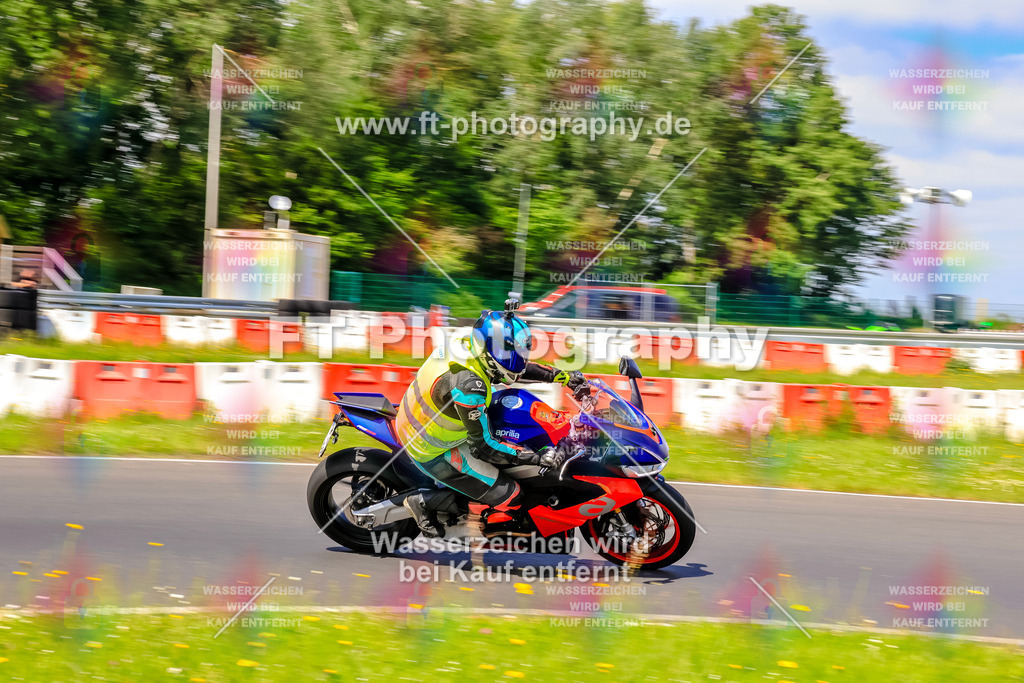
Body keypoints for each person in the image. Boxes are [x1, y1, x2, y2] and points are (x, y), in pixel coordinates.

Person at [394, 300, 590, 537]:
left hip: (424, 416)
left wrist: (563, 377)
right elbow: (484, 447)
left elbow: (515, 368)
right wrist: (537, 457)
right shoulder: (469, 387)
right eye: (507, 353)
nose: (514, 360)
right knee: (511, 494)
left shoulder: (470, 345)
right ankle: (424, 502)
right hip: (432, 446)